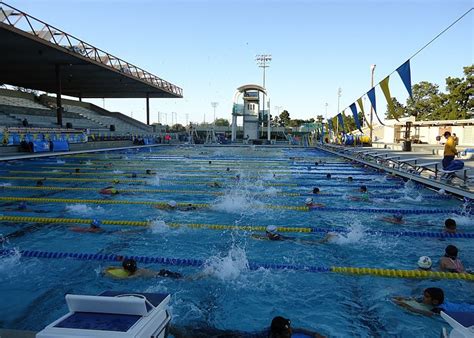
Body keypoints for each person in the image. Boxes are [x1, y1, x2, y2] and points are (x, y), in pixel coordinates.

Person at [393, 287, 474, 317]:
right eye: (424, 295)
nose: (423, 298)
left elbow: (424, 313)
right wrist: (404, 298)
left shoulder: (439, 310)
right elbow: (417, 299)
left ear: (435, 302)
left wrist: (405, 305)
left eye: (426, 296)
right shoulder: (432, 300)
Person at [104, 258, 182, 279]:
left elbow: (125, 279)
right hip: (162, 273)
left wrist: (109, 275)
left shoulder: (138, 273)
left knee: (184, 279)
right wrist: (114, 267)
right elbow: (124, 268)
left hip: (162, 275)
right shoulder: (138, 270)